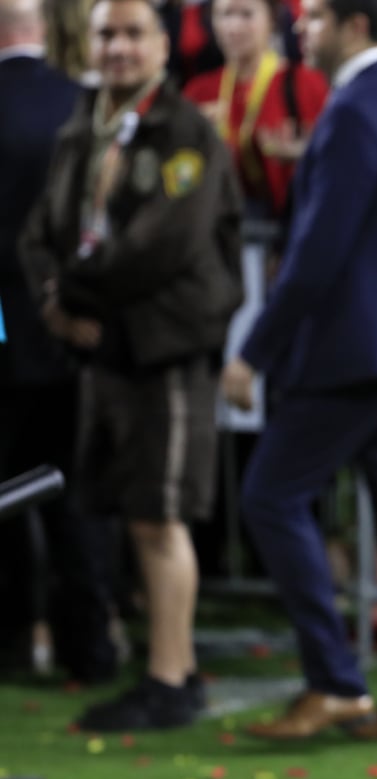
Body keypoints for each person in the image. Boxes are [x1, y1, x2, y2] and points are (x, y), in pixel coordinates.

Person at [218, 0, 377, 742]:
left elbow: (318, 252)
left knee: (269, 497)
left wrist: (253, 351)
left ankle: (335, 682)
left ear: (355, 25)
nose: (301, 28)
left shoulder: (355, 109)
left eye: (315, 16)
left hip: (352, 353)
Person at [19, 0, 243, 729]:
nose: (117, 47)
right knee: (135, 516)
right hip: (108, 345)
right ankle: (159, 670)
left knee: (161, 514)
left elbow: (163, 245)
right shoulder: (83, 126)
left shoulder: (187, 132)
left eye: (132, 33)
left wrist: (71, 294)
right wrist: (54, 302)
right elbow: (40, 233)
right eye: (107, 34)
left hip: (167, 347)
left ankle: (172, 681)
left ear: (162, 46)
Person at [1, 0, 118, 684]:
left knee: (11, 494)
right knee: (79, 492)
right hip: (79, 330)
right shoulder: (85, 105)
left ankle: (20, 634)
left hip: (9, 330)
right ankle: (91, 647)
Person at [183, 0, 328, 222]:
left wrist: (304, 154)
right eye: (224, 14)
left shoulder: (306, 85)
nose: (233, 26)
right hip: (215, 229)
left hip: (287, 227)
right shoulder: (198, 92)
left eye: (246, 14)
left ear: (271, 20)